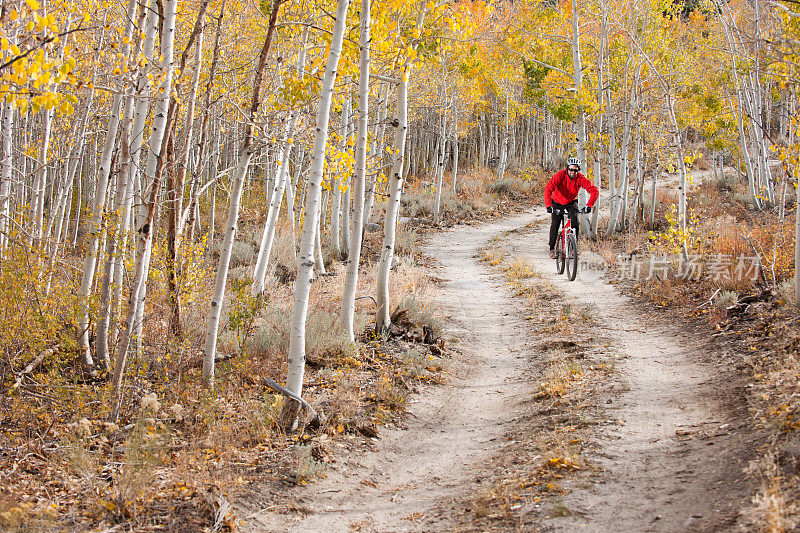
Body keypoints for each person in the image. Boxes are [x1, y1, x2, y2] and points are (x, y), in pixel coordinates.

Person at [544, 157, 599, 259]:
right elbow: (548, 189)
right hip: (557, 201)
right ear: (567, 168)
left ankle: (573, 248)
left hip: (571, 202)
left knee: (575, 223)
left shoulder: (580, 178)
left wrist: (589, 205)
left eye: (575, 170)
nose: (573, 172)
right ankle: (552, 249)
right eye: (571, 169)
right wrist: (549, 206)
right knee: (555, 224)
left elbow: (594, 190)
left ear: (578, 170)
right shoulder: (559, 176)